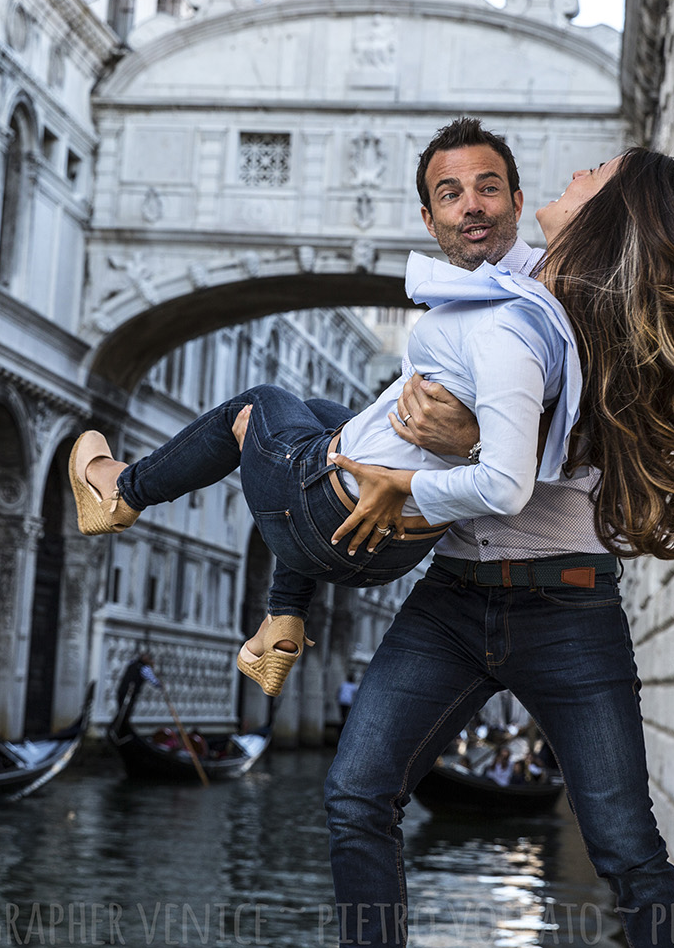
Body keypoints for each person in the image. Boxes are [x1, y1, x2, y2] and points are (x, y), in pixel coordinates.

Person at [323, 130, 674, 948]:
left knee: (627, 848)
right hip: (453, 592)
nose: (576, 172)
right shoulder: (501, 291)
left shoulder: (622, 331)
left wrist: (481, 441)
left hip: (568, 606)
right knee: (355, 794)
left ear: (613, 215)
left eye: (595, 176)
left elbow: (596, 452)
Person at [70, 120, 585, 699]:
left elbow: (508, 482)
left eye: (487, 189)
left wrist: (405, 476)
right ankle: (284, 616)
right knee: (321, 413)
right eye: (451, 194)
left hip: (337, 515)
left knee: (257, 405)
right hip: (394, 549)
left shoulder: (511, 318)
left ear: (516, 200)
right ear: (427, 216)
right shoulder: (528, 300)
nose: (471, 205)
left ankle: (123, 492)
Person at [113, 652, 161, 730]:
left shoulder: (132, 664)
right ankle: (119, 729)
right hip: (129, 694)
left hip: (122, 691)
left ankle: (121, 728)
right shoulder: (144, 668)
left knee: (122, 711)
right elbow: (155, 682)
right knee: (124, 712)